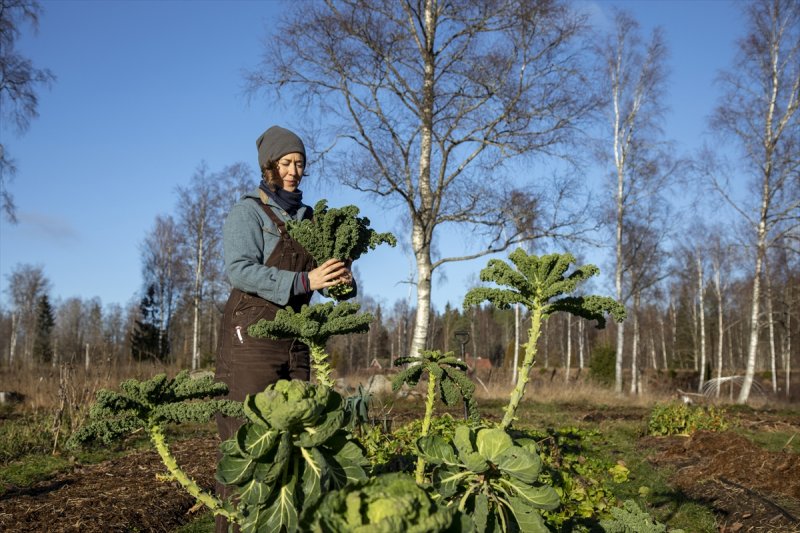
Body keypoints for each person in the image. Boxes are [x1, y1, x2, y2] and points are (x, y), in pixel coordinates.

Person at [214, 125, 354, 532]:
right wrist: (304, 282)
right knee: (248, 447)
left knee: (295, 448)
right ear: (269, 166)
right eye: (286, 163)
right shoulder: (249, 213)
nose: (294, 171)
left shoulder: (310, 219)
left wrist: (341, 277)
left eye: (300, 164)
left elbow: (324, 276)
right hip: (250, 338)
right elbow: (239, 270)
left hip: (296, 341)